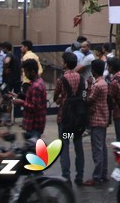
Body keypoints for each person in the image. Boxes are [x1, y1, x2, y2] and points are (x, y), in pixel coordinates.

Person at [53, 52, 85, 185]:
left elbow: (55, 97)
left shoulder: (61, 79)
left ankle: (66, 176)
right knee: (78, 146)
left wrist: (61, 99)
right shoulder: (81, 78)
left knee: (65, 146)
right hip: (78, 120)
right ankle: (80, 175)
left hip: (66, 120)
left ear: (65, 64)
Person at [85, 59, 110, 186]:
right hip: (103, 117)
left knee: (97, 149)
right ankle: (103, 173)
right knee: (102, 147)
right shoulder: (104, 83)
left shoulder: (97, 85)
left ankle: (97, 176)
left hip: (96, 118)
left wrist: (88, 87)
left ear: (93, 71)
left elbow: (89, 100)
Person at [11, 58, 46, 140]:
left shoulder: (36, 86)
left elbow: (34, 107)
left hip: (34, 124)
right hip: (33, 124)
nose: (25, 74)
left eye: (26, 72)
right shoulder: (37, 82)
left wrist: (21, 103)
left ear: (32, 72)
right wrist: (18, 96)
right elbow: (31, 98)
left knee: (33, 148)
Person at [107, 58, 120, 142]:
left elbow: (110, 97)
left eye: (108, 66)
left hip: (118, 111)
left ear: (111, 67)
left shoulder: (114, 82)